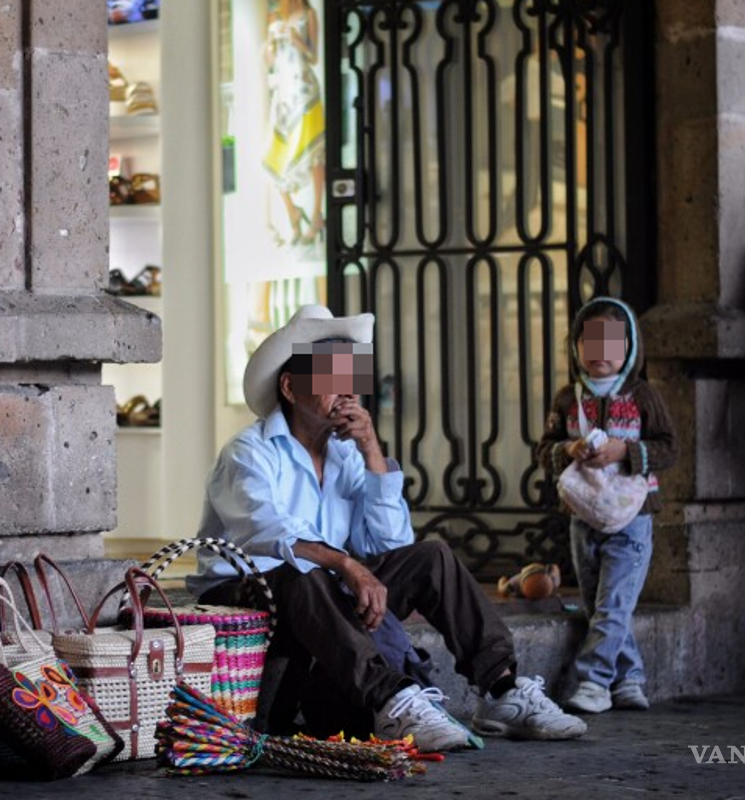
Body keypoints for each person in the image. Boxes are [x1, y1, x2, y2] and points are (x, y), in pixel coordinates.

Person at [187, 305, 588, 751]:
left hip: (324, 595)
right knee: (307, 572)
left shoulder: (346, 456)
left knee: (431, 557)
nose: (346, 390)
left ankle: (502, 690)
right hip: (245, 596)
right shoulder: (249, 452)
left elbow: (391, 544)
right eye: (329, 376)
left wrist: (372, 451)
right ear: (290, 385)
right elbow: (265, 532)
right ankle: (392, 700)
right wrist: (346, 565)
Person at [536, 297, 677, 714]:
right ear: (576, 345)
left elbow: (670, 447)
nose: (600, 351)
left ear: (630, 348)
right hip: (583, 517)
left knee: (614, 602)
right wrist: (569, 449)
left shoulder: (644, 396)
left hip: (632, 518)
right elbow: (544, 451)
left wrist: (624, 451)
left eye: (611, 342)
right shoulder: (567, 399)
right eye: (590, 340)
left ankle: (594, 681)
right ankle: (629, 677)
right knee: (604, 603)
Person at [263, 0, 325, 247]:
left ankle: (317, 214)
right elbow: (270, 63)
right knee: (271, 158)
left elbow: (314, 56)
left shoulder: (308, 14)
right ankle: (293, 211)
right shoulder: (275, 17)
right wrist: (270, 44)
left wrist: (297, 40)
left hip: (306, 92)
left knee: (315, 156)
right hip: (284, 95)